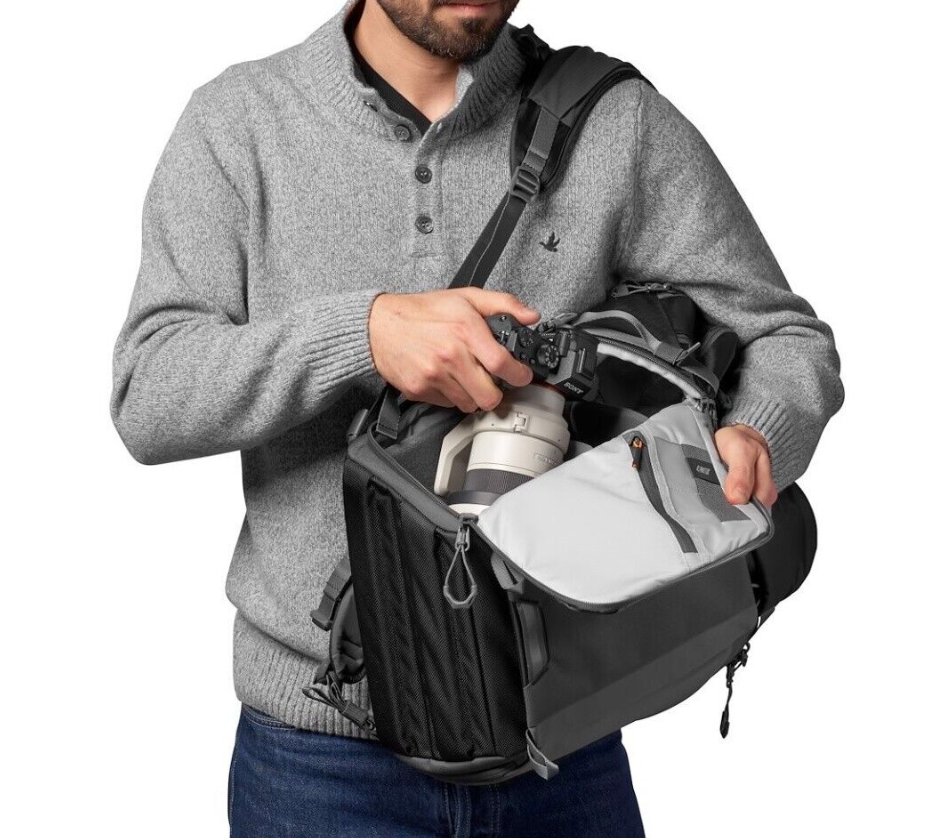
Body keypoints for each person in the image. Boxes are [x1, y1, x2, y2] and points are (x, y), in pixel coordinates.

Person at [109, 0, 844, 834]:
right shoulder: (238, 123)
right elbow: (149, 392)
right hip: (320, 755)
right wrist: (364, 334)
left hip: (564, 734)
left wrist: (758, 432)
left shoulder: (617, 123)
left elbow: (784, 337)